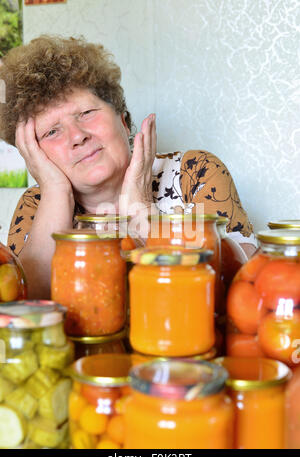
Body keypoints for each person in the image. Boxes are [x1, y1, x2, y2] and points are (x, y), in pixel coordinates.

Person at [0, 35, 256, 299]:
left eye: (86, 113)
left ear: (123, 121)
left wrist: (140, 205)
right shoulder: (35, 205)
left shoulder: (196, 173)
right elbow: (25, 307)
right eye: (52, 131)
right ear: (33, 154)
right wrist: (55, 191)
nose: (77, 136)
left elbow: (236, 295)